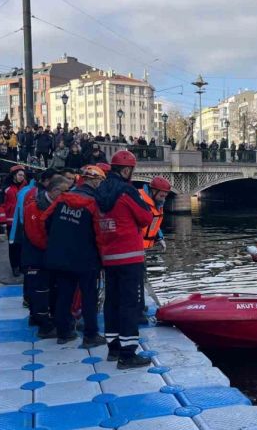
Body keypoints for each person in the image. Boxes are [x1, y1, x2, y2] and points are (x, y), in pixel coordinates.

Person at [94, 150, 153, 369]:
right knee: (129, 304)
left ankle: (113, 347)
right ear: (127, 170)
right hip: (129, 255)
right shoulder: (127, 192)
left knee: (112, 302)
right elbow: (146, 217)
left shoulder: (100, 192)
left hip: (109, 256)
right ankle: (128, 354)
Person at [41, 165, 107, 347]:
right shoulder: (94, 203)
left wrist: (56, 242)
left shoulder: (62, 198)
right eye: (101, 181)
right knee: (89, 296)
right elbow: (100, 233)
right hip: (86, 257)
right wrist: (102, 257)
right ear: (94, 180)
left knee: (64, 294)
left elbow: (46, 220)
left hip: (61, 255)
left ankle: (64, 332)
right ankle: (91, 335)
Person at [22, 175, 71, 338]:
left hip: (51, 256)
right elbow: (35, 235)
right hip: (36, 256)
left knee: (50, 288)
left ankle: (45, 318)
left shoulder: (60, 206)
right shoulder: (34, 207)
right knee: (39, 290)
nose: (67, 194)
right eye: (65, 191)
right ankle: (43, 324)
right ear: (55, 190)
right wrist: (55, 248)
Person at [0, 165, 27, 276]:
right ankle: (14, 266)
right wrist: (3, 221)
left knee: (23, 245)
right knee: (13, 245)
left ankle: (22, 265)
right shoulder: (6, 188)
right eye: (19, 175)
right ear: (14, 175)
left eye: (23, 175)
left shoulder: (26, 187)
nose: (21, 177)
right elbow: (0, 205)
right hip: (11, 222)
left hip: (23, 222)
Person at [139, 176, 170, 252]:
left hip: (145, 248)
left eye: (165, 196)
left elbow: (154, 223)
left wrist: (160, 238)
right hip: (135, 247)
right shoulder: (139, 200)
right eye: (162, 196)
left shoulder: (157, 204)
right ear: (153, 191)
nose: (163, 199)